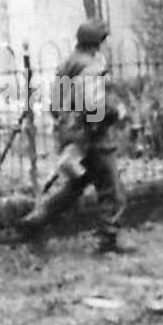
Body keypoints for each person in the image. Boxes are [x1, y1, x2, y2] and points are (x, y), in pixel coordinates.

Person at [20, 18, 134, 254]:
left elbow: (55, 105)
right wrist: (115, 113)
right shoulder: (91, 66)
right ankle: (110, 237)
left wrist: (69, 126)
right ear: (97, 43)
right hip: (93, 135)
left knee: (76, 185)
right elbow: (94, 108)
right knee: (111, 188)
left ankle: (40, 217)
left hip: (71, 133)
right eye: (103, 40)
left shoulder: (67, 64)